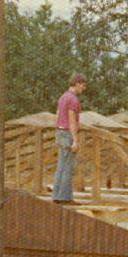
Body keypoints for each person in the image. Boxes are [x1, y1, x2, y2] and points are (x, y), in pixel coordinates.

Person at [52, 73, 87, 203]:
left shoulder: (63, 97)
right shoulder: (73, 100)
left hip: (60, 131)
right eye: (83, 86)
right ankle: (64, 198)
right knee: (68, 166)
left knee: (61, 165)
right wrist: (75, 140)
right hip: (67, 133)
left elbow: (57, 115)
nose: (83, 88)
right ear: (77, 83)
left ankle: (57, 195)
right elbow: (72, 120)